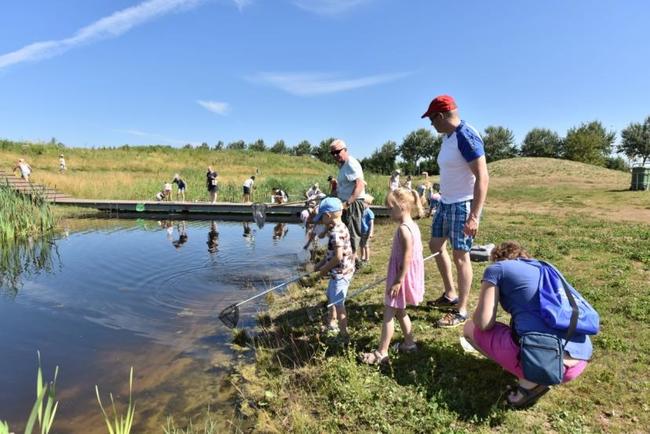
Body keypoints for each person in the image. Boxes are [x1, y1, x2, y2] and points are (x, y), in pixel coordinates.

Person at [463, 241, 592, 408]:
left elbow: (484, 323)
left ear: (496, 259)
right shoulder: (547, 268)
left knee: (470, 328)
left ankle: (530, 381)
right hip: (580, 359)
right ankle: (533, 373)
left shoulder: (497, 269)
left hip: (551, 364)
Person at [422, 94, 489, 327]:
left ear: (441, 116)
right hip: (446, 202)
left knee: (461, 256)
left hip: (463, 203)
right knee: (435, 245)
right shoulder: (448, 136)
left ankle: (461, 310)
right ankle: (450, 294)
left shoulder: (466, 136)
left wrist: (474, 216)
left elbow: (483, 177)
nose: (431, 124)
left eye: (431, 119)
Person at [360, 188, 425, 364]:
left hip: (400, 276)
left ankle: (381, 353)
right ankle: (410, 343)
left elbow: (408, 258)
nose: (388, 211)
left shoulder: (404, 230)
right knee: (400, 310)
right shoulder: (413, 226)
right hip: (403, 275)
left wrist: (398, 281)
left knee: (389, 312)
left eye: (390, 208)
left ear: (402, 206)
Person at [312, 197, 355, 337]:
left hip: (341, 273)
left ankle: (343, 335)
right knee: (330, 297)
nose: (321, 221)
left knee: (338, 303)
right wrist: (320, 264)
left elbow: (338, 257)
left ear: (328, 216)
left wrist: (323, 271)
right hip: (340, 271)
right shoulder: (340, 227)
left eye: (322, 217)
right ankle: (332, 322)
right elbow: (331, 253)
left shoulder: (336, 233)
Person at [330, 139, 365, 265]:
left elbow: (359, 185)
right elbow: (345, 185)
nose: (335, 155)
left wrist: (348, 203)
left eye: (337, 152)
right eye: (332, 153)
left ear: (345, 150)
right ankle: (350, 260)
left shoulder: (351, 163)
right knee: (346, 231)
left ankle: (353, 262)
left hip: (353, 203)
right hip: (345, 202)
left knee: (352, 231)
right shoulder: (342, 166)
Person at [359, 195, 375, 263]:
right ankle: (362, 256)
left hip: (366, 231)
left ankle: (367, 258)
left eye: (363, 203)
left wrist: (371, 232)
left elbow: (371, 223)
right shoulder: (361, 211)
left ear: (368, 204)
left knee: (366, 245)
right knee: (361, 245)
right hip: (360, 230)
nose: (362, 204)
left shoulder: (369, 212)